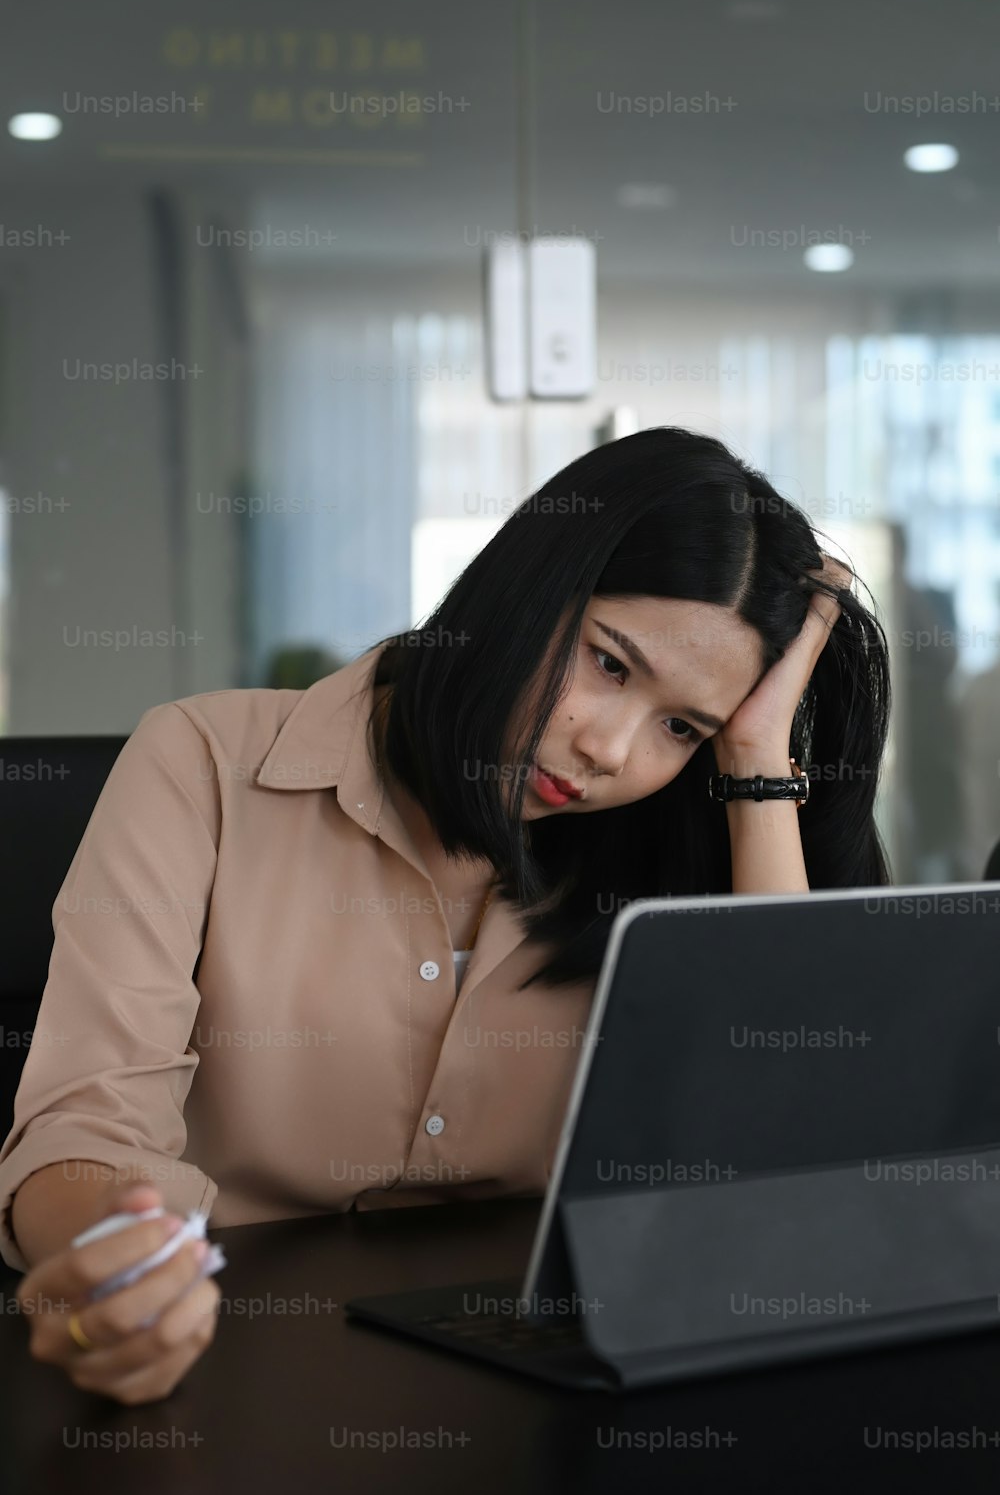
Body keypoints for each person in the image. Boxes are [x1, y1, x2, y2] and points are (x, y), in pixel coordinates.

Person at [1, 425, 891, 1405]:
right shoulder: (203, 762)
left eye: (681, 727)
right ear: (528, 586)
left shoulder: (675, 842)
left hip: (551, 1402)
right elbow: (84, 1125)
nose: (607, 748)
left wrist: (754, 767)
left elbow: (791, 1180)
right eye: (607, 664)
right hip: (226, 1368)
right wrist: (115, 1264)